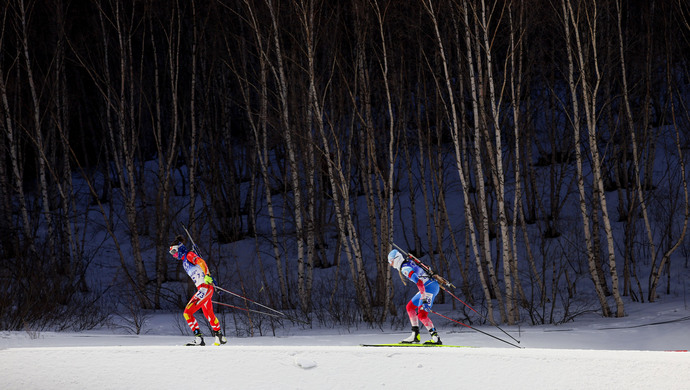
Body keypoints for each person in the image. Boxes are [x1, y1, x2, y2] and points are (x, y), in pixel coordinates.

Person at [169, 235, 227, 346]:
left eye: (174, 252)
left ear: (180, 248)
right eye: (171, 253)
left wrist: (207, 275)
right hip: (204, 288)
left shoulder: (189, 255)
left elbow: (201, 262)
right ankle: (219, 336)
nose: (174, 255)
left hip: (205, 288)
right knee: (209, 314)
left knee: (187, 312)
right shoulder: (185, 260)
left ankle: (199, 339)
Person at [388, 248, 442, 345]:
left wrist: (424, 299)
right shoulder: (407, 262)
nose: (390, 265)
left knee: (422, 315)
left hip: (429, 287)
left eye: (391, 262)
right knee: (410, 307)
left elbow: (419, 282)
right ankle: (415, 336)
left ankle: (436, 338)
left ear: (396, 260)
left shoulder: (405, 269)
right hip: (428, 285)